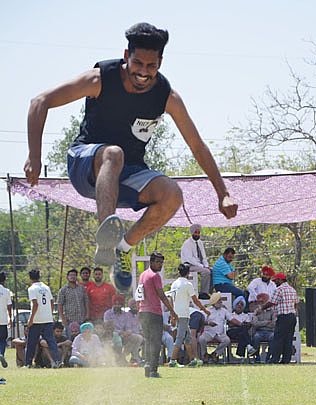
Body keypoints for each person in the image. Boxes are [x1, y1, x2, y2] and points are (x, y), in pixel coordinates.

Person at [24, 22, 238, 294]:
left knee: (173, 194)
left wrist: (223, 193)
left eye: (151, 66)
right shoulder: (100, 78)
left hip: (126, 174)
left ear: (160, 62)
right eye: (138, 63)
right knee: (114, 153)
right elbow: (39, 102)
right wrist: (34, 155)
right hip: (86, 163)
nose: (143, 73)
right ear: (127, 56)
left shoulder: (166, 96)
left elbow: (196, 144)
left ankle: (123, 249)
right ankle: (107, 235)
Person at [138, 251, 178, 378]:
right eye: (157, 262)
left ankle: (147, 364)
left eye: (161, 262)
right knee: (155, 342)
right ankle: (153, 370)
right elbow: (161, 294)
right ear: (151, 262)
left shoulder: (143, 275)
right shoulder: (155, 276)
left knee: (148, 340)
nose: (160, 265)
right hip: (154, 312)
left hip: (142, 312)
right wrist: (172, 311)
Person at [168, 263, 210, 367]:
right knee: (180, 338)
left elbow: (171, 300)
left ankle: (192, 360)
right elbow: (195, 300)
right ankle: (172, 361)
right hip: (183, 314)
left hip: (177, 314)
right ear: (188, 273)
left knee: (187, 339)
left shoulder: (174, 284)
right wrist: (204, 309)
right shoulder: (188, 284)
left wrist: (172, 314)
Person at [260, 273, 298, 364]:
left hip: (283, 317)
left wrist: (261, 308)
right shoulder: (292, 290)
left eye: (276, 280)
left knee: (278, 338)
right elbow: (296, 304)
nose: (275, 282)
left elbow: (271, 303)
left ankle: (274, 359)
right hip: (292, 316)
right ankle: (286, 360)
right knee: (288, 339)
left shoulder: (279, 290)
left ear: (281, 280)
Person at [25, 269, 60, 368]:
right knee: (51, 341)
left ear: (30, 278)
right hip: (47, 319)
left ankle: (28, 363)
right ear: (39, 276)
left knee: (31, 342)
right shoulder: (46, 287)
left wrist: (31, 319)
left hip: (37, 320)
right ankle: (57, 361)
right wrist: (49, 313)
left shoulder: (32, 289)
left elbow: (35, 304)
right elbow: (51, 302)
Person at [103, 294, 143, 365]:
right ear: (113, 303)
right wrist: (120, 332)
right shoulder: (108, 314)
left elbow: (129, 327)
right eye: (115, 304)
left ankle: (127, 357)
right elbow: (108, 327)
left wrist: (127, 332)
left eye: (119, 304)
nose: (117, 306)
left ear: (122, 305)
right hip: (112, 335)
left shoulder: (126, 314)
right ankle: (120, 358)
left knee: (138, 338)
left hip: (124, 334)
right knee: (116, 336)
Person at [198, 292, 236, 363]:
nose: (221, 302)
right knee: (201, 339)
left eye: (221, 300)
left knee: (227, 340)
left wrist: (241, 323)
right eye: (219, 300)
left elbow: (231, 319)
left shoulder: (224, 311)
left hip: (220, 333)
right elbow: (200, 321)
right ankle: (205, 354)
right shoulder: (207, 310)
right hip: (208, 333)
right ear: (215, 302)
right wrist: (209, 323)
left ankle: (215, 354)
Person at [180, 224, 211, 299]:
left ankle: (208, 292)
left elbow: (203, 256)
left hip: (199, 265)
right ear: (192, 233)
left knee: (211, 271)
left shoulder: (200, 242)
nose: (197, 234)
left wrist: (206, 265)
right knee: (206, 272)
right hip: (189, 265)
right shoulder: (187, 243)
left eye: (198, 232)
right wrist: (202, 266)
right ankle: (203, 293)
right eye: (195, 232)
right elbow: (190, 259)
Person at [57, 269, 89, 334]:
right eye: (71, 275)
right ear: (67, 277)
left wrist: (87, 314)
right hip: (69, 320)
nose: (72, 277)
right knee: (70, 338)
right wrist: (63, 319)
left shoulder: (81, 288)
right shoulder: (63, 290)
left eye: (74, 275)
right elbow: (60, 304)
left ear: (77, 277)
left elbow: (86, 301)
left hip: (82, 319)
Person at [252, 293, 276, 363]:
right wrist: (267, 322)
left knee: (273, 337)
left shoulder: (272, 311)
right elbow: (255, 323)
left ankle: (268, 357)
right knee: (256, 337)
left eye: (262, 302)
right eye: (259, 302)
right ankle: (257, 357)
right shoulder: (256, 311)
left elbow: (274, 323)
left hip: (270, 331)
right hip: (259, 331)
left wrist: (261, 323)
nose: (260, 303)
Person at [0, 272, 12, 368]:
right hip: (2, 320)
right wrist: (10, 318)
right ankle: (1, 354)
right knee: (2, 340)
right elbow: (9, 306)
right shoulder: (6, 291)